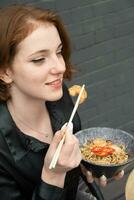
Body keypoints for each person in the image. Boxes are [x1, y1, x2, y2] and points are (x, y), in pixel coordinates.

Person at [0, 4, 124, 200]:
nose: (60, 67)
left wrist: (90, 163)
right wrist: (53, 174)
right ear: (5, 71)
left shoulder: (58, 96)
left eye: (58, 52)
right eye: (39, 59)